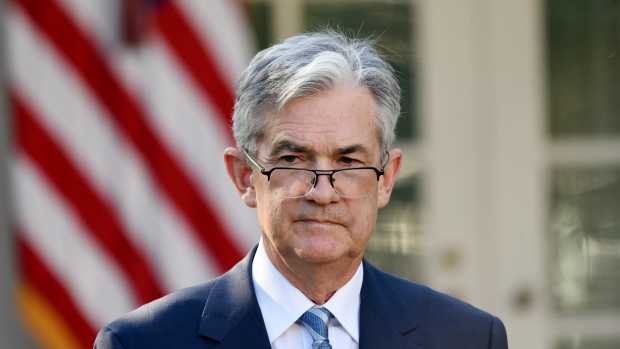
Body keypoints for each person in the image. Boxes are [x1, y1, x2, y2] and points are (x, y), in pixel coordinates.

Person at [94, 30, 508, 349]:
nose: (323, 193)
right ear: (244, 176)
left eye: (348, 162)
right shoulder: (143, 342)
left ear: (387, 178)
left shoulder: (466, 337)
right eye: (293, 160)